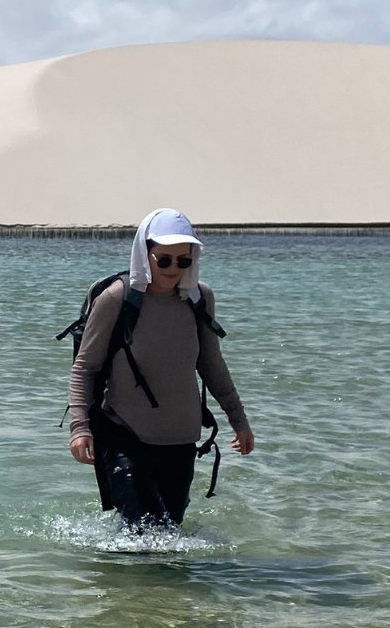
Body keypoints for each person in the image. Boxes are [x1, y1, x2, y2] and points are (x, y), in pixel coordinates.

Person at [66, 208, 255, 531]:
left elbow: (211, 365)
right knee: (145, 535)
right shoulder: (117, 299)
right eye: (163, 259)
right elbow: (86, 368)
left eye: (184, 260)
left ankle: (131, 581)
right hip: (124, 436)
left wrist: (239, 421)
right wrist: (80, 427)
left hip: (180, 443)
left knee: (166, 538)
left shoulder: (199, 298)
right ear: (144, 254)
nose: (173, 269)